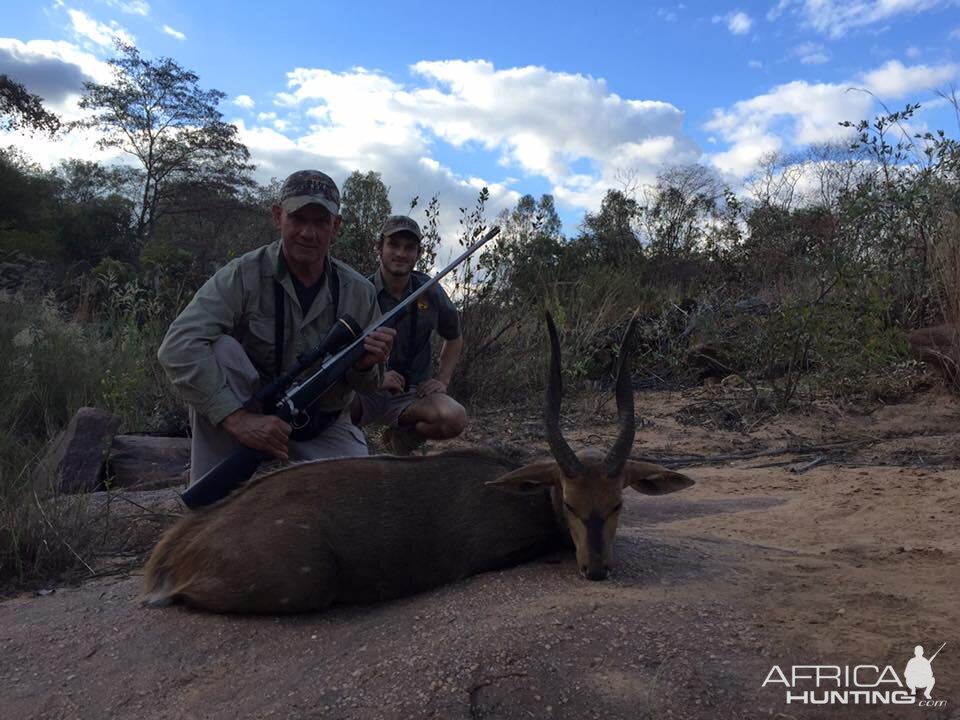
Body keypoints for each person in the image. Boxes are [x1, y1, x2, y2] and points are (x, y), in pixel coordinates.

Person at [158, 170, 395, 484]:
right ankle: (210, 484)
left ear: (335, 227)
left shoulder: (359, 291)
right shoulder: (243, 273)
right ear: (277, 216)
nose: (308, 233)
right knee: (221, 350)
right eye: (298, 219)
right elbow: (177, 345)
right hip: (249, 412)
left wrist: (366, 365)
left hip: (320, 426)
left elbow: (368, 386)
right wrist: (238, 419)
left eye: (320, 222)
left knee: (361, 502)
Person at [352, 214, 467, 455]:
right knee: (323, 410)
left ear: (419, 253)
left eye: (409, 247)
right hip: (365, 391)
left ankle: (401, 438)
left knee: (453, 417)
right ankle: (352, 442)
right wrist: (375, 379)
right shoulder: (359, 290)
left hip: (412, 394)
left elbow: (454, 338)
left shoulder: (431, 290)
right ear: (379, 247)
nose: (401, 254)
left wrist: (442, 380)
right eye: (393, 245)